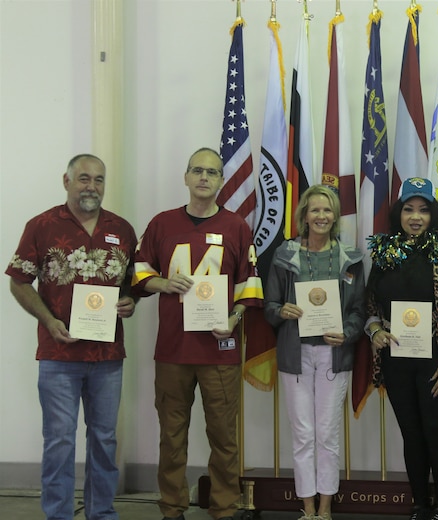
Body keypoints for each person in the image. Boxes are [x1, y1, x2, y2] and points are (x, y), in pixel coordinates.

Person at [132, 148, 262, 520]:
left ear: (222, 181)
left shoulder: (237, 226)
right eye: (198, 170)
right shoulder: (162, 224)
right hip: (173, 351)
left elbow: (249, 286)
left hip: (219, 352)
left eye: (213, 172)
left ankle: (223, 508)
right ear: (186, 177)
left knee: (224, 437)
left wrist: (234, 320)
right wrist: (163, 282)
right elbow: (138, 272)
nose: (204, 177)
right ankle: (172, 509)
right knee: (171, 438)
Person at [6, 154, 138, 520]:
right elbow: (19, 281)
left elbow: (133, 283)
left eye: (98, 179)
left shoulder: (122, 229)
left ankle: (102, 514)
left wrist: (130, 300)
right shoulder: (42, 225)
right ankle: (59, 515)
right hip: (58, 356)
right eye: (83, 178)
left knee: (104, 440)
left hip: (108, 356)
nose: (91, 186)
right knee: (60, 442)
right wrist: (48, 320)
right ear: (66, 181)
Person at [365, 177, 438, 520]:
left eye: (423, 210)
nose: (415, 217)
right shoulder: (385, 251)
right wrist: (374, 332)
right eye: (409, 209)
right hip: (398, 360)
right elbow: (371, 307)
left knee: (437, 432)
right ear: (399, 212)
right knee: (411, 434)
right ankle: (419, 504)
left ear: (433, 214)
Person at [264, 185, 365, 520]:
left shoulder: (350, 258)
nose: (321, 216)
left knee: (328, 433)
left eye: (328, 210)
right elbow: (269, 307)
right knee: (304, 434)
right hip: (296, 356)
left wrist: (347, 333)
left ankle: (325, 509)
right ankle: (307, 509)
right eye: (315, 210)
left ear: (335, 216)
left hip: (334, 357)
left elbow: (359, 311)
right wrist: (283, 312)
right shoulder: (284, 255)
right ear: (304, 215)